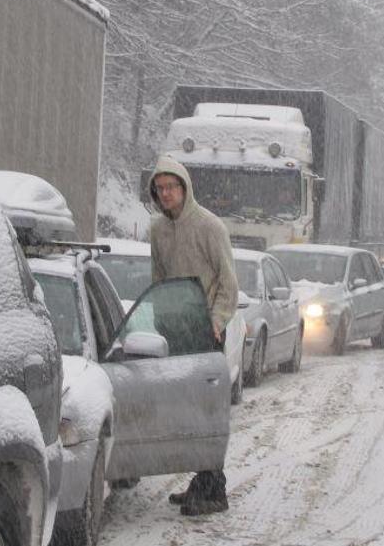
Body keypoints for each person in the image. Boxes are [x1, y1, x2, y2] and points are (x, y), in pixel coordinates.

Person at [148, 155, 238, 517]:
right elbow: (158, 278)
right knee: (184, 411)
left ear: (185, 188)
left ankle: (216, 490)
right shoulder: (157, 229)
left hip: (206, 330)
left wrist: (216, 321)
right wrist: (158, 318)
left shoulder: (210, 227)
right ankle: (202, 482)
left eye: (172, 187)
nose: (166, 194)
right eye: (160, 188)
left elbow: (229, 283)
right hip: (175, 330)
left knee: (206, 410)